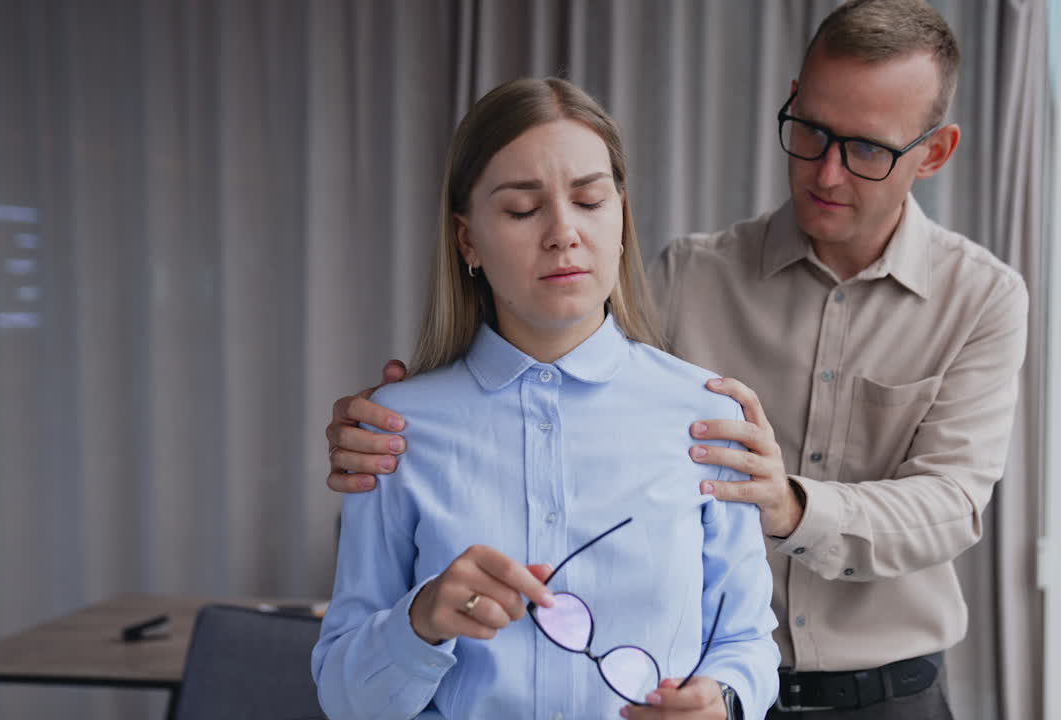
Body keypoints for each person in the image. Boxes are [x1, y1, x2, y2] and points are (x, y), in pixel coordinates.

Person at [325, 2, 1028, 718]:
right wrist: (390, 429)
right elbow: (561, 354)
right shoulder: (688, 275)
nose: (826, 170)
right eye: (811, 131)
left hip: (882, 692)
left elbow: (951, 503)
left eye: (867, 150)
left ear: (933, 154)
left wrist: (788, 507)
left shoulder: (983, 298)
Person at [311, 77, 779, 720]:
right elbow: (344, 697)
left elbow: (747, 641)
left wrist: (724, 701)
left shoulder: (707, 418)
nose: (564, 233)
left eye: (589, 200)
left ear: (621, 217)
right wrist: (420, 621)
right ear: (468, 240)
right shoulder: (393, 434)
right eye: (522, 210)